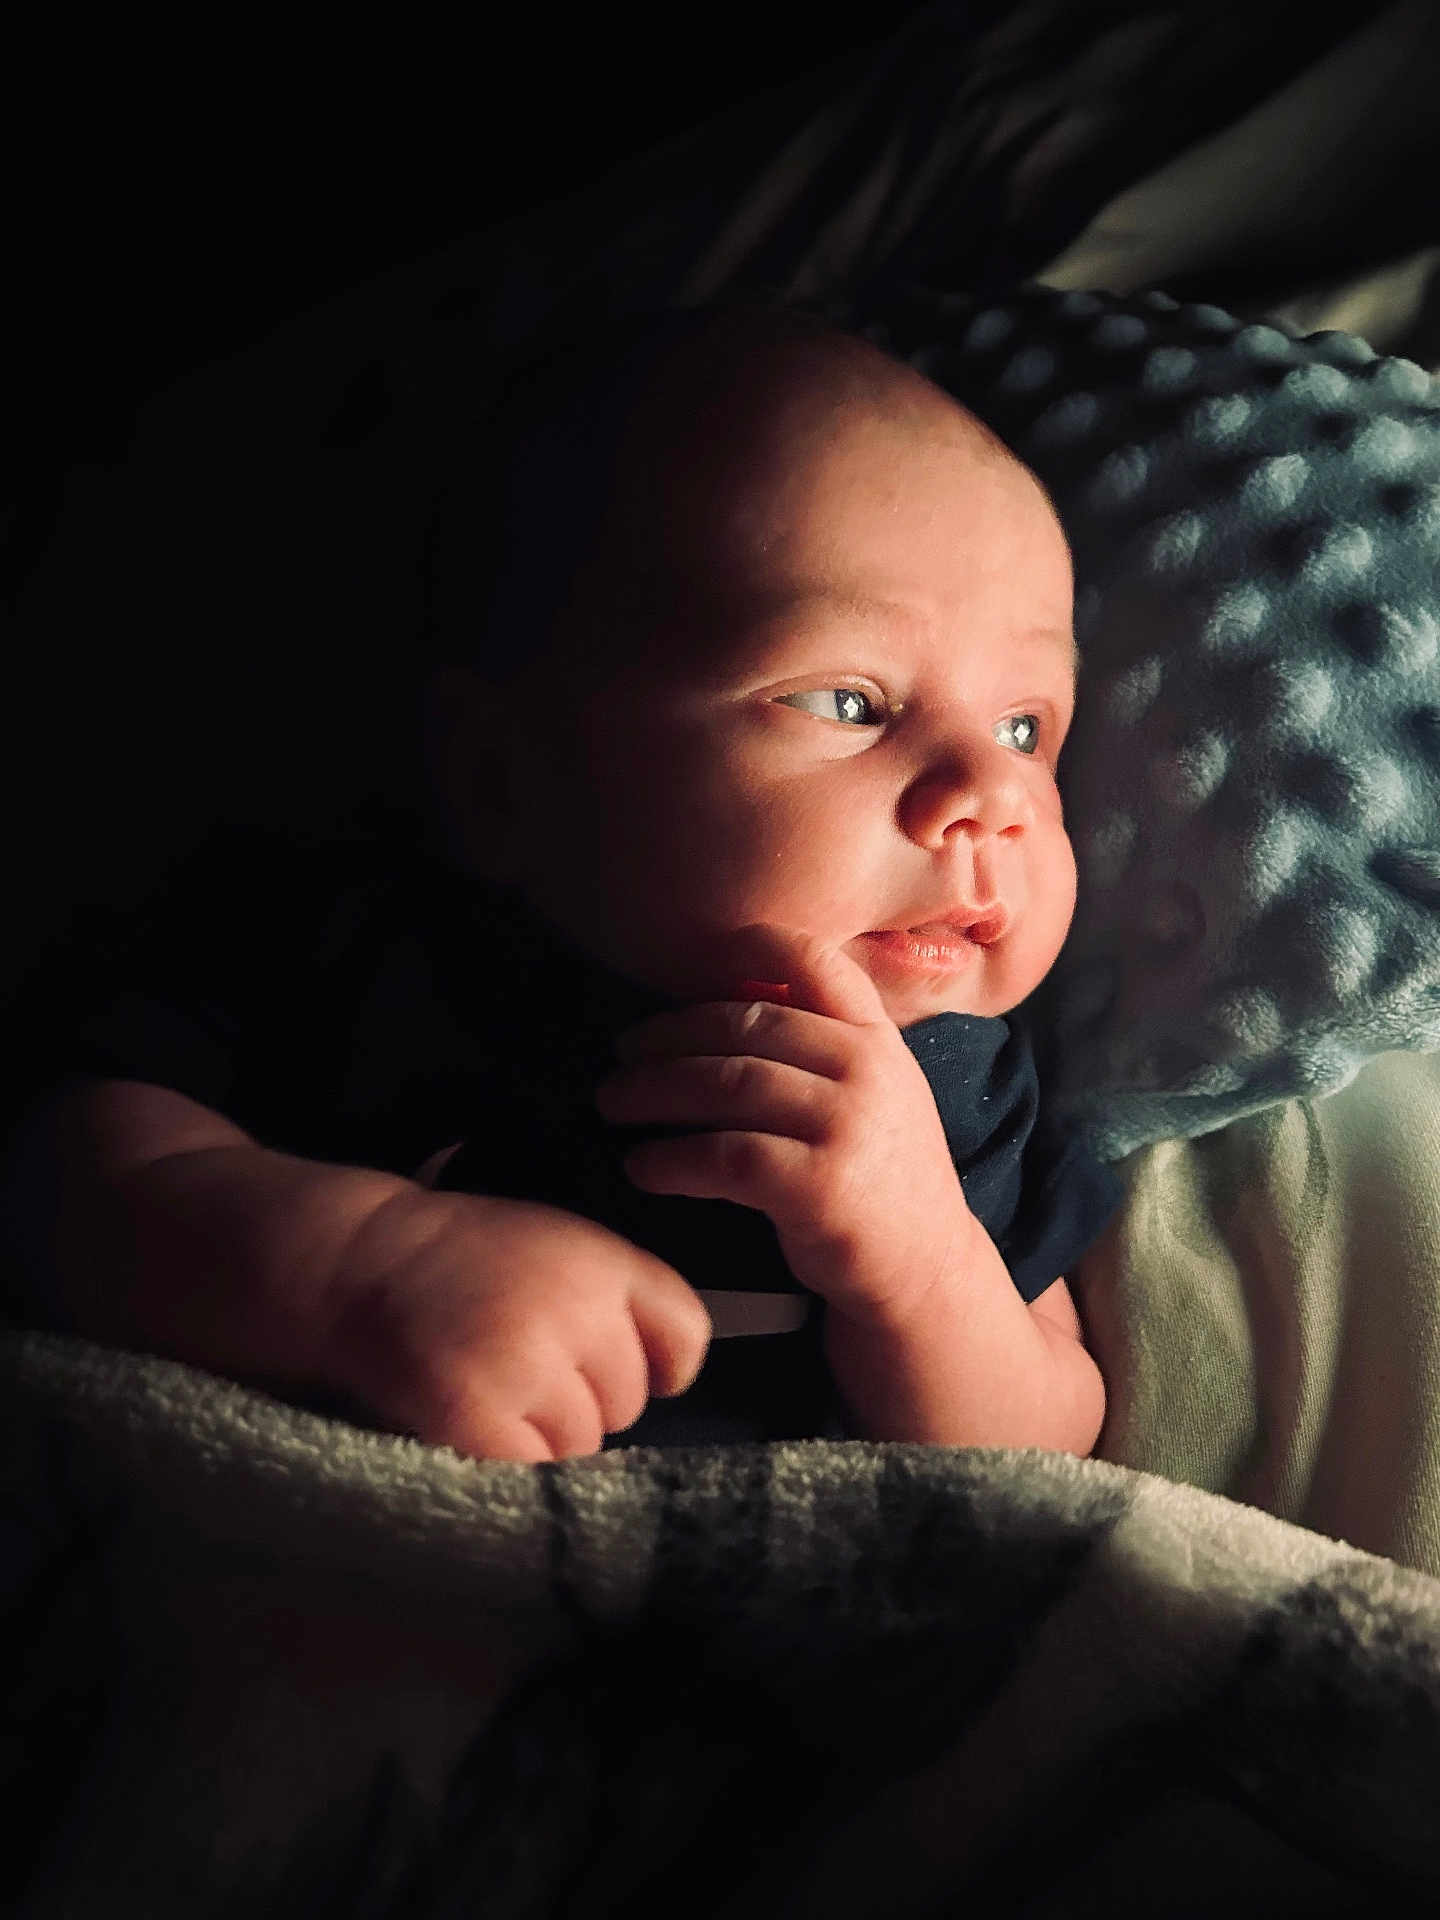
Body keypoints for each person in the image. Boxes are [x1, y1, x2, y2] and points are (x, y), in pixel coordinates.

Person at [0, 302, 1121, 1461]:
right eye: (851, 702)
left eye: (1026, 726)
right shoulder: (388, 953)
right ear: (504, 790)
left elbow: (1052, 1435)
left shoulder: (956, 1095)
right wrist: (362, 1266)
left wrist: (924, 1265)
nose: (991, 794)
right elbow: (65, 1178)